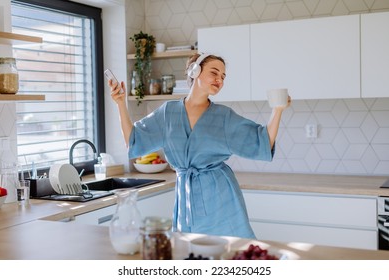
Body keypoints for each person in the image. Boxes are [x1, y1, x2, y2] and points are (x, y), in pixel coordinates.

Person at [108, 53, 291, 239]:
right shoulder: (167, 113)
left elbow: (261, 141)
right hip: (186, 195)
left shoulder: (224, 117)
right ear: (195, 71)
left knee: (229, 251)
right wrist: (121, 104)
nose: (219, 79)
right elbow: (134, 140)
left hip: (220, 194)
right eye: (214, 73)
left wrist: (277, 110)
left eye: (223, 76)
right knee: (189, 253)